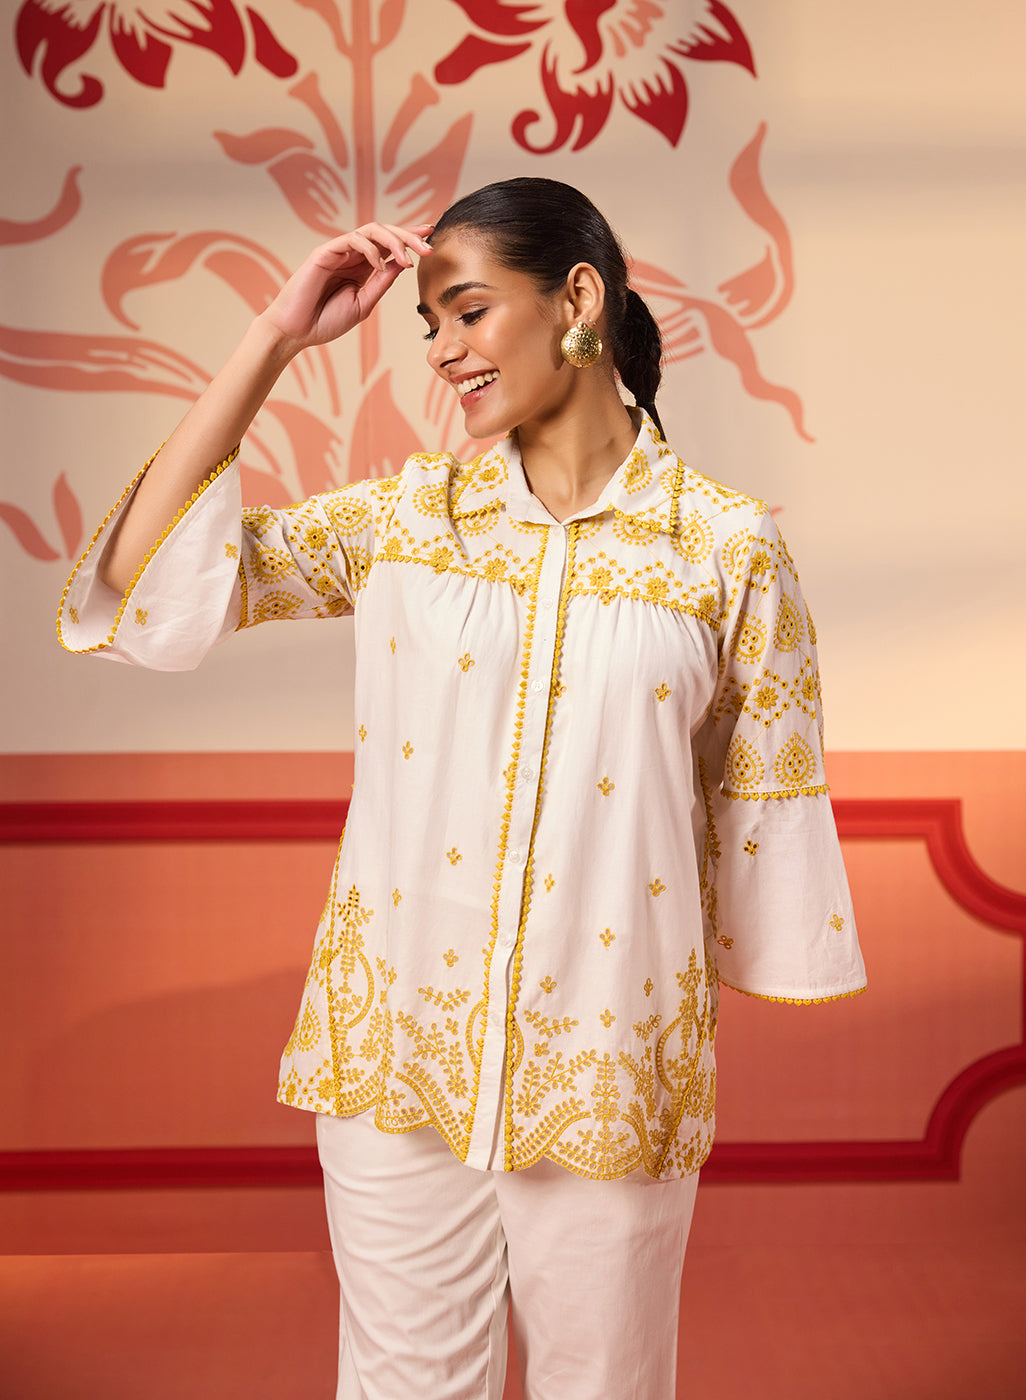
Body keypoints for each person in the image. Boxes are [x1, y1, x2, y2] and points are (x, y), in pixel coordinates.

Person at [58, 177, 866, 1400]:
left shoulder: (726, 546)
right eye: (429, 324)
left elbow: (757, 792)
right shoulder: (405, 522)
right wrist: (273, 335)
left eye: (468, 311)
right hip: (394, 1060)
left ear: (578, 299)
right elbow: (145, 579)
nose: (441, 351)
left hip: (606, 1062)